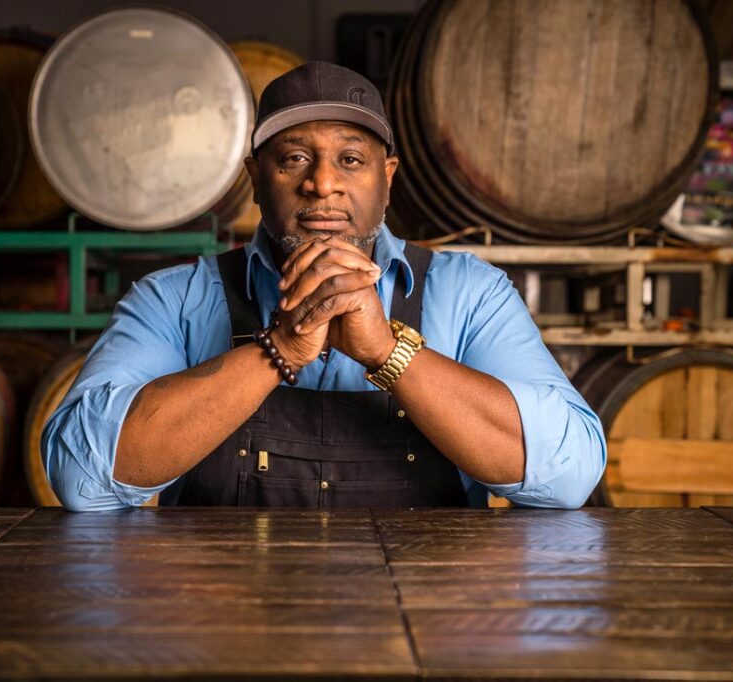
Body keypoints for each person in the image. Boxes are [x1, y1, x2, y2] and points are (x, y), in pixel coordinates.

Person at [42, 62, 606, 511]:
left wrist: (387, 351)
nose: (323, 183)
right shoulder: (173, 299)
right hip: (226, 624)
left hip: (424, 629)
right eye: (293, 158)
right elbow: (84, 480)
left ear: (386, 178)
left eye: (351, 159)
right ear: (256, 180)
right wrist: (279, 350)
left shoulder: (471, 293)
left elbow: (569, 476)